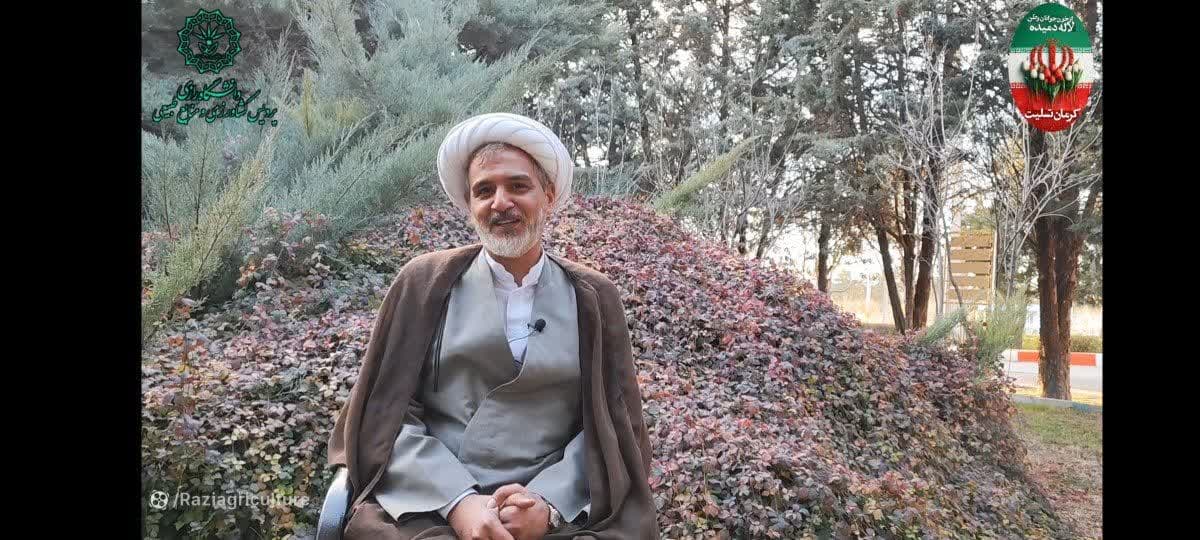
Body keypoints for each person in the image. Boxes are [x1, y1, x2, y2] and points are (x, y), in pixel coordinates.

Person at [327, 112, 659, 539]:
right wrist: (458, 502)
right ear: (470, 206)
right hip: (430, 505)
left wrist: (548, 505)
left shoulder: (593, 296)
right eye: (484, 191)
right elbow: (386, 414)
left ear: (548, 195)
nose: (501, 202)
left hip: (556, 513)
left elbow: (610, 426)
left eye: (518, 186)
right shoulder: (423, 282)